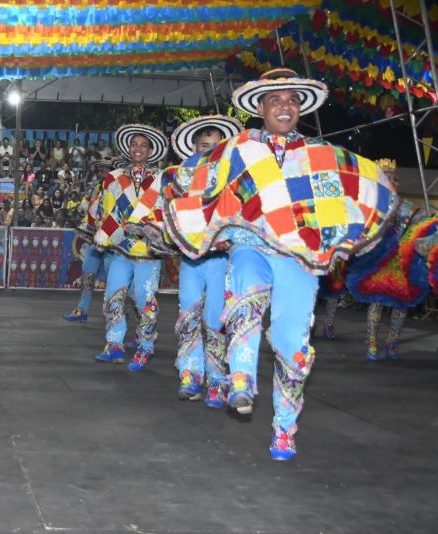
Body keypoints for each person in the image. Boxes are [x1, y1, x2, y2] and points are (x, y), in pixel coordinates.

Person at [159, 68, 397, 460]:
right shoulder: (239, 149)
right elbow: (197, 177)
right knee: (245, 294)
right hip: (250, 246)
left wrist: (380, 182)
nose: (284, 107)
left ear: (300, 108)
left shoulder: (319, 155)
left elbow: (356, 181)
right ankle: (240, 378)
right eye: (275, 100)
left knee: (291, 342)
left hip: (298, 256)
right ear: (261, 107)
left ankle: (284, 428)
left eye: (292, 100)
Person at [166, 115, 243, 405]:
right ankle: (190, 373)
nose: (208, 151)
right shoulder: (182, 176)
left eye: (214, 146)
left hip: (220, 259)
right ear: (194, 147)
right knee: (188, 313)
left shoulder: (233, 178)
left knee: (214, 318)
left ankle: (217, 379)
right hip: (191, 258)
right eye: (203, 146)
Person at [93, 125, 169, 372]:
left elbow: (163, 213)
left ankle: (146, 345)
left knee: (145, 299)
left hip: (149, 251)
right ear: (128, 148)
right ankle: (114, 343)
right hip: (120, 249)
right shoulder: (113, 178)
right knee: (113, 294)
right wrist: (104, 235)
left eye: (143, 145)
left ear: (151, 150)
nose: (138, 148)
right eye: (134, 144)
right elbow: (107, 212)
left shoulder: (161, 179)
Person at [344, 159, 435, 361]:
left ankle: (392, 343)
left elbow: (423, 220)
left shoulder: (406, 207)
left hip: (400, 265)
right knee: (376, 304)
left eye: (394, 179)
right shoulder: (373, 207)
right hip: (377, 264)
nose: (392, 182)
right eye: (387, 178)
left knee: (400, 306)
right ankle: (372, 342)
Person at [64, 159, 114, 322]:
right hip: (94, 236)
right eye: (100, 169)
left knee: (114, 276)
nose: (102, 172)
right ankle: (82, 309)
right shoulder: (96, 188)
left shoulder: (119, 188)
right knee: (87, 273)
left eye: (105, 169)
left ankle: (117, 311)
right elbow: (85, 207)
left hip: (112, 239)